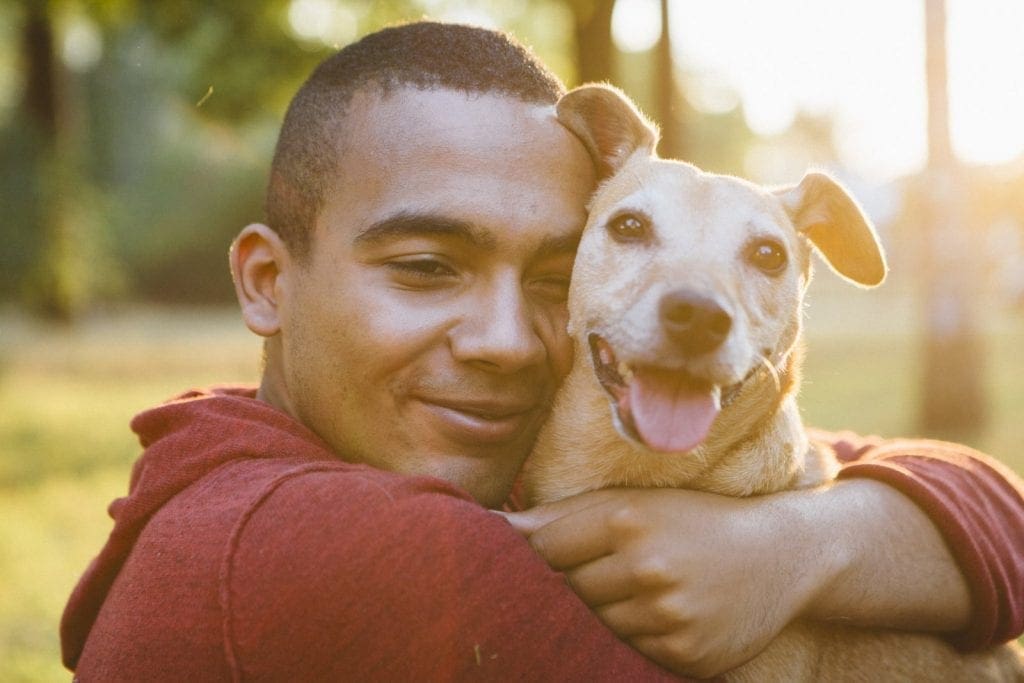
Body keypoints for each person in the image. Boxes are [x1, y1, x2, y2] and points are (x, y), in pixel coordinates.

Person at [61, 21, 1024, 681]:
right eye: (428, 265)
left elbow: (999, 513)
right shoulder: (334, 550)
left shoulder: (547, 448)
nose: (508, 343)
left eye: (554, 279)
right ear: (269, 282)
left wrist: (798, 543)